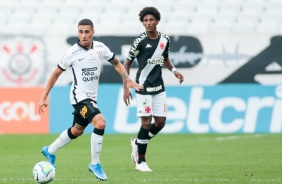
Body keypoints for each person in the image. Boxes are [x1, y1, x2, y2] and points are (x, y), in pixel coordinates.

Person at [38, 18, 143, 181]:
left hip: (92, 98)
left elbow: (116, 63)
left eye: (87, 31)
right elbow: (55, 74)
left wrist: (128, 79)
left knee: (77, 130)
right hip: (79, 98)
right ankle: (95, 163)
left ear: (93, 32)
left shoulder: (100, 48)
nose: (84, 35)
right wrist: (43, 97)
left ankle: (50, 151)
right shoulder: (71, 53)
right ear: (78, 33)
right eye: (80, 32)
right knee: (100, 123)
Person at [123, 7, 184, 172]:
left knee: (160, 123)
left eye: (151, 20)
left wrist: (174, 71)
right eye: (145, 21)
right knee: (146, 123)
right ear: (142, 22)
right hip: (143, 87)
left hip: (159, 87)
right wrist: (126, 87)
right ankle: (140, 162)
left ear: (157, 21)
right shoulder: (140, 41)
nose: (148, 23)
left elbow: (165, 58)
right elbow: (126, 63)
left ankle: (137, 142)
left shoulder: (165, 39)